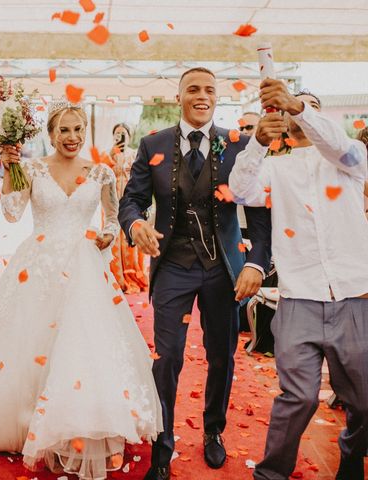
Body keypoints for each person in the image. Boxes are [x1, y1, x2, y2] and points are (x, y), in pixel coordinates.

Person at [0, 102, 163, 480]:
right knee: (29, 342)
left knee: (81, 344)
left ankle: (76, 417)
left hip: (84, 267)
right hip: (37, 267)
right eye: (64, 130)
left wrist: (107, 235)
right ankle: (25, 418)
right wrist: (8, 171)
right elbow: (11, 213)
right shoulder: (32, 168)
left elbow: (115, 216)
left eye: (78, 129)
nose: (72, 137)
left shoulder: (100, 171)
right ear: (50, 134)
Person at [118, 67, 272, 480]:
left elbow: (259, 214)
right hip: (173, 266)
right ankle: (162, 445)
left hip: (224, 270)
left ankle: (214, 432)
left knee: (222, 355)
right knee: (166, 358)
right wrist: (136, 226)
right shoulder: (153, 143)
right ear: (179, 96)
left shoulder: (239, 144)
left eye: (209, 90)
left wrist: (256, 262)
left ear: (217, 96)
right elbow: (130, 202)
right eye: (193, 89)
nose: (202, 96)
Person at [229, 81, 368, 480]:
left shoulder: (352, 159)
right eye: (292, 108)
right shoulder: (275, 167)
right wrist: (256, 142)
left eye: (309, 108)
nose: (298, 112)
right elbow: (240, 191)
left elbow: (339, 146)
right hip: (299, 299)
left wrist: (298, 105)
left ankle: (352, 451)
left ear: (320, 117)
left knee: (365, 400)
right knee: (298, 397)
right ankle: (271, 474)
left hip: (355, 295)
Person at [109, 123, 148, 294]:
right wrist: (111, 156)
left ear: (129, 136)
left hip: (130, 199)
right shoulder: (109, 154)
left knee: (129, 237)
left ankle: (132, 276)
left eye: (123, 134)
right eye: (117, 134)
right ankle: (117, 277)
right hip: (112, 199)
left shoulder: (135, 153)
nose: (120, 137)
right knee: (115, 238)